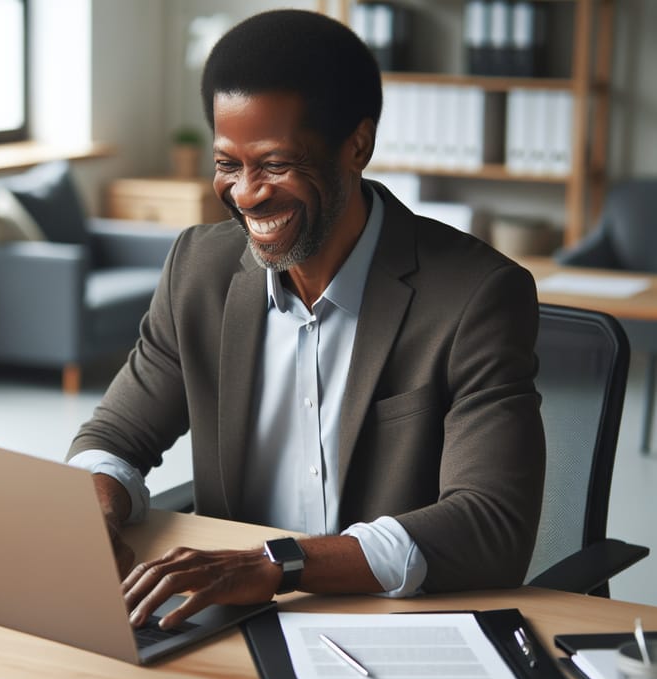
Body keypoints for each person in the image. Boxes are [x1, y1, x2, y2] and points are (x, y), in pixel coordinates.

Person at [67, 9, 545, 631]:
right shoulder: (199, 271)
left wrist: (279, 564)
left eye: (273, 163)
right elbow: (111, 440)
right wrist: (95, 516)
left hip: (393, 625)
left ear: (357, 146)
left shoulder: (476, 295)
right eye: (228, 164)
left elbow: (491, 523)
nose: (245, 194)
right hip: (230, 624)